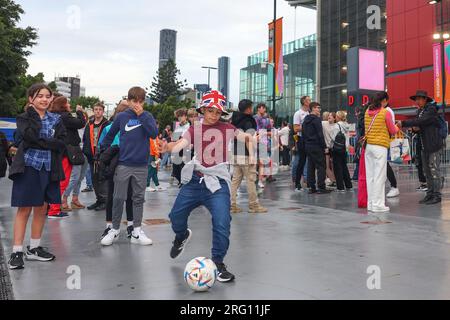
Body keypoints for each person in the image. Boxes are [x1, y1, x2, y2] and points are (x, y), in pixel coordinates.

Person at [160, 90, 253, 283]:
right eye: (210, 111)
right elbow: (181, 144)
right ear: (202, 110)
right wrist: (170, 147)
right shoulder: (194, 128)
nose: (213, 115)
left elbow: (244, 136)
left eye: (217, 112)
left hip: (218, 182)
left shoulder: (227, 127)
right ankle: (182, 235)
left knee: (222, 222)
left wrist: (252, 145)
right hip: (195, 180)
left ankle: (218, 263)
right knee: (175, 216)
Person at [8, 83, 66, 269]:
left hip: (49, 168)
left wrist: (43, 143)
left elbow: (62, 143)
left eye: (47, 96)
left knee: (42, 208)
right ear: (31, 99)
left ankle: (34, 248)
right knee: (24, 209)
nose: (44, 99)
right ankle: (17, 251)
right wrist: (48, 141)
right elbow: (29, 137)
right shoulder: (24, 117)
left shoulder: (57, 119)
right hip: (29, 166)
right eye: (39, 96)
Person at [100, 87, 158, 246]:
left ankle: (137, 231)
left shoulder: (148, 116)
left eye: (140, 101)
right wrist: (103, 152)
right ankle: (114, 230)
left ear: (144, 102)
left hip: (141, 165)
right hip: (123, 164)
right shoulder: (121, 117)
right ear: (129, 100)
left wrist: (142, 115)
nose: (137, 104)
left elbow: (153, 134)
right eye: (134, 101)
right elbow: (110, 134)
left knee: (138, 198)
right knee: (118, 198)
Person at [398, 90, 444, 205]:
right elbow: (420, 124)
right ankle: (430, 194)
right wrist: (414, 129)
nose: (417, 101)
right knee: (427, 171)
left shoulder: (431, 109)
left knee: (434, 170)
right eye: (416, 99)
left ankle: (436, 195)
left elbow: (422, 121)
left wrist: (404, 123)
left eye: (419, 99)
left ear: (425, 99)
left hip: (433, 145)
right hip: (424, 145)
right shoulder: (420, 111)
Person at [97, 100, 135, 239]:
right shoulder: (131, 126)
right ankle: (131, 226)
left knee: (112, 196)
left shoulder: (109, 127)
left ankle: (110, 226)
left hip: (114, 165)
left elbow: (102, 145)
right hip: (126, 163)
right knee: (129, 196)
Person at [364, 92, 399, 213]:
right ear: (384, 100)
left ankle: (371, 203)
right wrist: (398, 126)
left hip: (369, 147)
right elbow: (393, 130)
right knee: (380, 176)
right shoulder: (385, 112)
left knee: (371, 176)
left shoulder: (367, 111)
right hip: (380, 146)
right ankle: (378, 204)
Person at [50, 99, 87, 214]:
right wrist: (80, 112)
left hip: (61, 150)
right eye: (67, 103)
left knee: (63, 179)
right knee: (65, 180)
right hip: (68, 151)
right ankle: (54, 209)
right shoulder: (65, 116)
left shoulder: (54, 116)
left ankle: (53, 207)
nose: (69, 104)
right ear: (63, 105)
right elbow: (81, 123)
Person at [230, 99, 267, 214]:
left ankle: (232, 204)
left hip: (235, 152)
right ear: (249, 108)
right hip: (246, 154)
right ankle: (254, 205)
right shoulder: (248, 121)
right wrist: (252, 155)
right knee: (251, 179)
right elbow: (248, 139)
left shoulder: (235, 120)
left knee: (235, 180)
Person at [83, 103, 110, 211]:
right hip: (91, 155)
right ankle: (99, 199)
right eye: (96, 109)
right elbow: (85, 139)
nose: (98, 111)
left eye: (100, 109)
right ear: (93, 111)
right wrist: (86, 151)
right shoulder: (89, 124)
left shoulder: (107, 124)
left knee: (102, 178)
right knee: (94, 179)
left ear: (103, 111)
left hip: (102, 155)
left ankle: (105, 200)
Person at [302, 102, 331, 194]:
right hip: (316, 145)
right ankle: (321, 187)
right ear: (313, 108)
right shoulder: (316, 120)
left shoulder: (305, 119)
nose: (319, 110)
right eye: (318, 108)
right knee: (321, 166)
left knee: (311, 166)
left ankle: (312, 187)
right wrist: (324, 146)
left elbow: (303, 134)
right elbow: (320, 134)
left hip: (308, 146)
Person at [331, 111, 353, 192]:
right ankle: (348, 185)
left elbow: (333, 138)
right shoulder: (347, 125)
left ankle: (340, 187)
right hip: (344, 148)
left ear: (338, 117)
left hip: (337, 148)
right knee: (344, 167)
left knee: (337, 167)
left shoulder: (337, 126)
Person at [254, 103, 274, 189]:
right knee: (254, 162)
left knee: (261, 162)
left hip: (263, 142)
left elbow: (271, 132)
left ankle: (260, 180)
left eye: (264, 108)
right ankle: (255, 179)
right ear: (258, 109)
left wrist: (264, 133)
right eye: (262, 108)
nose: (264, 110)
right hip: (254, 141)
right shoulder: (254, 118)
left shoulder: (267, 120)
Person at [293, 96, 311, 191]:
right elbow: (295, 128)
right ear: (304, 102)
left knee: (310, 161)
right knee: (301, 161)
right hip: (301, 139)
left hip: (309, 139)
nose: (310, 101)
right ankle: (297, 183)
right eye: (308, 100)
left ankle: (309, 181)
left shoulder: (309, 112)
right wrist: (307, 126)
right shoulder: (298, 113)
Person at [171, 108, 190, 185]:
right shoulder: (178, 127)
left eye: (181, 116)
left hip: (186, 150)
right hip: (178, 151)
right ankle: (181, 182)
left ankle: (184, 184)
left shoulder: (189, 126)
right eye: (178, 116)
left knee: (185, 169)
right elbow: (174, 140)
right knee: (176, 171)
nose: (179, 118)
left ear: (185, 116)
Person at [322, 112, 336, 187]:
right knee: (326, 166)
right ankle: (333, 180)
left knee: (334, 166)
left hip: (334, 148)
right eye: (328, 116)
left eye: (330, 116)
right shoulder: (324, 123)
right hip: (327, 147)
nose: (328, 116)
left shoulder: (337, 125)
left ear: (335, 118)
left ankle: (334, 180)